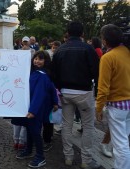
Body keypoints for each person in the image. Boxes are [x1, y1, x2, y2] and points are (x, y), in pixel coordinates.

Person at [52, 21, 100, 168]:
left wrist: (59, 89)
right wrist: (96, 90)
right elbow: (96, 72)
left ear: (67, 33)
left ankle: (68, 157)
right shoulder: (88, 49)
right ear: (82, 33)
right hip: (84, 92)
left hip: (65, 92)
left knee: (66, 125)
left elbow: (54, 74)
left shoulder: (60, 50)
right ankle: (86, 160)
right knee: (88, 126)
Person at [96, 24, 130, 169]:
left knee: (120, 144)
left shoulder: (108, 57)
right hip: (128, 104)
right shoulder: (127, 52)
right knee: (124, 140)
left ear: (105, 40)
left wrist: (98, 108)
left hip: (117, 105)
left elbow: (103, 88)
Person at [16, 51, 58, 168]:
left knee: (35, 131)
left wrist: (33, 111)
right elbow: (52, 88)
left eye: (40, 59)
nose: (37, 61)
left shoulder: (42, 76)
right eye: (35, 58)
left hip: (37, 109)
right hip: (31, 107)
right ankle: (28, 150)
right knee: (29, 129)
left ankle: (40, 157)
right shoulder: (35, 73)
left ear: (46, 61)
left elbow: (40, 94)